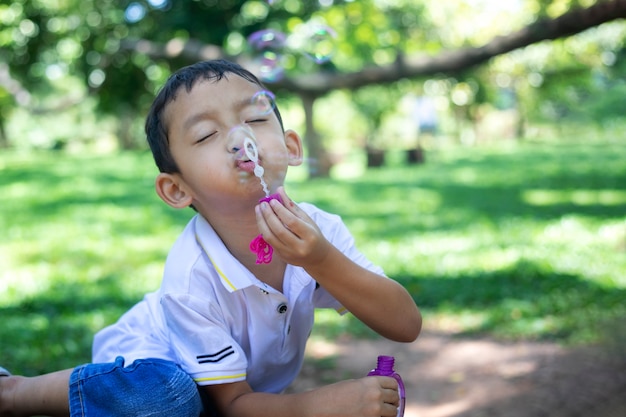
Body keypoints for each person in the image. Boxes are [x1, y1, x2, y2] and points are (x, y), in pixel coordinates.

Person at [0, 59, 422, 417]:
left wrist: (322, 260)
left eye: (256, 118)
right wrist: (315, 406)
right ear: (177, 190)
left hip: (224, 391)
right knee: (172, 398)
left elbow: (404, 323)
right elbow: (233, 405)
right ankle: (17, 392)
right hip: (145, 366)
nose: (242, 140)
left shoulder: (319, 231)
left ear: (291, 147)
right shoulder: (191, 277)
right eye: (205, 135)